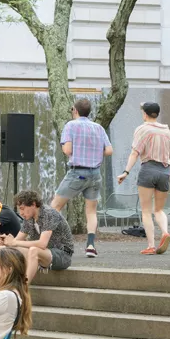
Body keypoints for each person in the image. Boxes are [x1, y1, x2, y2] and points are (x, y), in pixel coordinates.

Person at [51, 98, 113, 258]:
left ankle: (53, 241)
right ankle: (91, 245)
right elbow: (109, 151)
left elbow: (67, 150)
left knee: (54, 207)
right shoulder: (98, 127)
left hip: (77, 173)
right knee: (91, 211)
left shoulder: (71, 125)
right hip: (95, 173)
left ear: (75, 110)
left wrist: (66, 146)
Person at [117, 102, 170, 255]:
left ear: (145, 114)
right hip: (165, 170)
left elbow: (135, 153)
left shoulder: (142, 129)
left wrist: (125, 172)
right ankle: (165, 232)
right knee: (159, 209)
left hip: (148, 169)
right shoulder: (166, 130)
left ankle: (151, 245)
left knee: (146, 211)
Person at [1, 190, 73, 284]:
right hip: (43, 253)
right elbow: (16, 241)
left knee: (33, 250)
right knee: (4, 249)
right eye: (19, 209)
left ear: (34, 204)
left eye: (22, 208)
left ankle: (24, 287)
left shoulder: (49, 214)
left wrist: (14, 242)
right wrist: (5, 241)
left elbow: (42, 244)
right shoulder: (29, 218)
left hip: (63, 254)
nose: (21, 213)